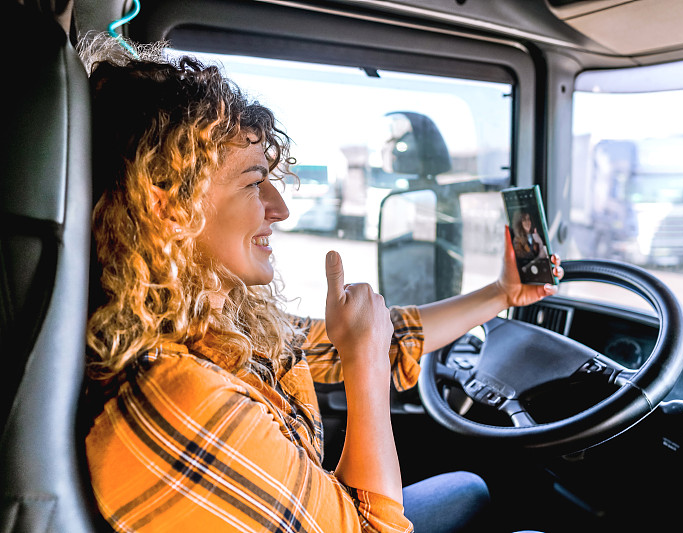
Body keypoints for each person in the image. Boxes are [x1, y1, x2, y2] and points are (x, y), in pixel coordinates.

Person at [80, 33, 563, 533]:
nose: (281, 208)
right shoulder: (180, 401)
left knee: (469, 487)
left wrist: (503, 293)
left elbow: (389, 337)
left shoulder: (216, 326)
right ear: (166, 204)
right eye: (251, 182)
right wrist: (366, 368)